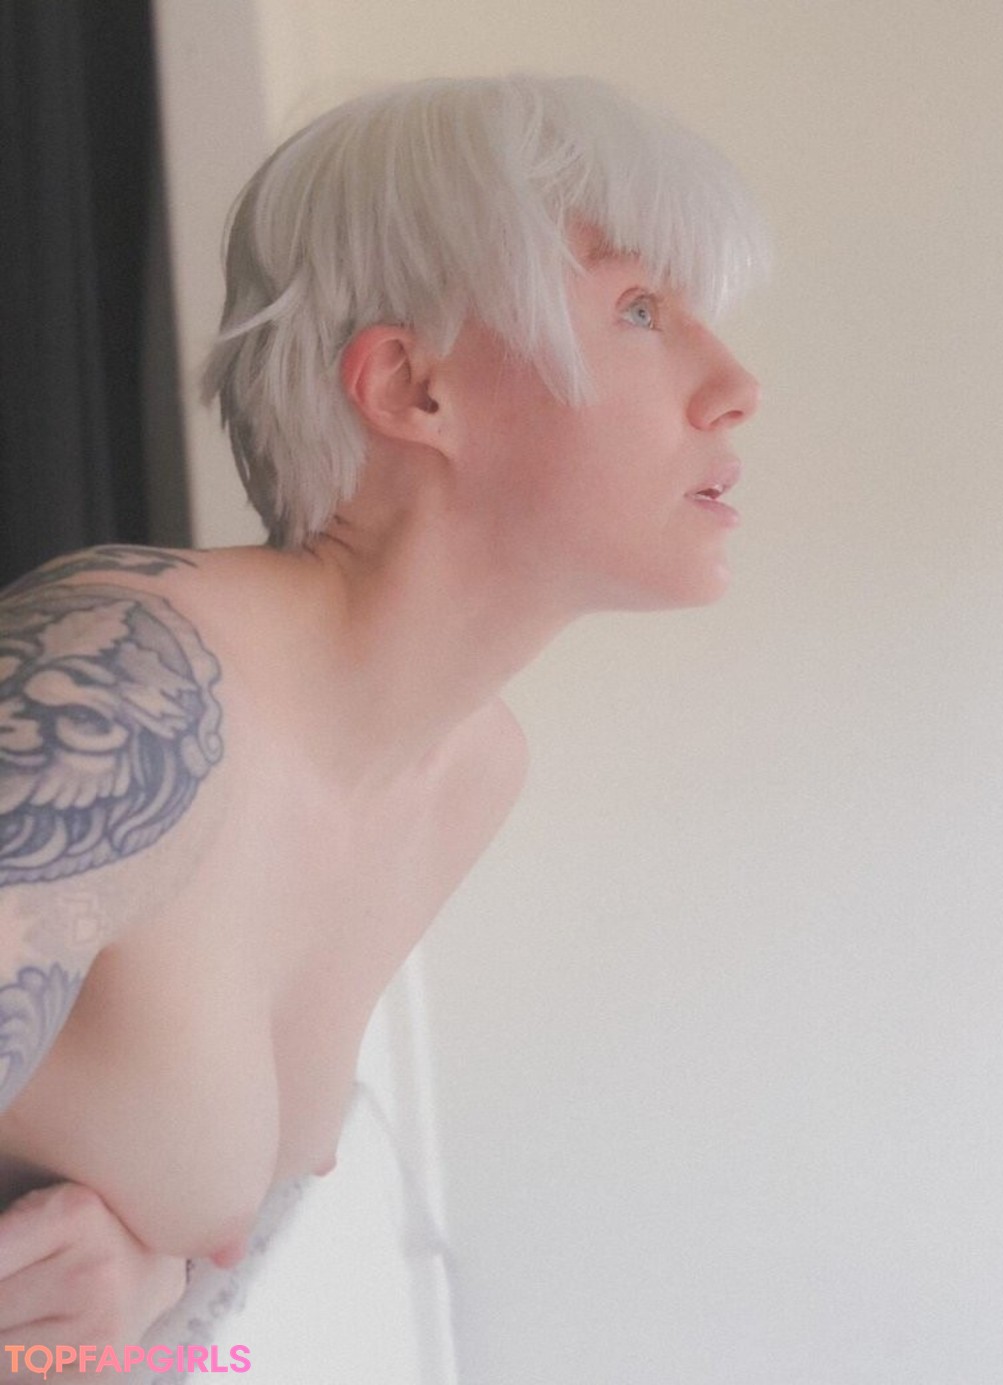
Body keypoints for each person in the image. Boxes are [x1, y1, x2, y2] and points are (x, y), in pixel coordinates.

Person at [0, 71, 764, 1363]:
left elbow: (184, 1305)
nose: (737, 385)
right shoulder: (123, 686)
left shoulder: (468, 769)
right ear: (413, 389)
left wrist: (146, 1287)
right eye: (640, 309)